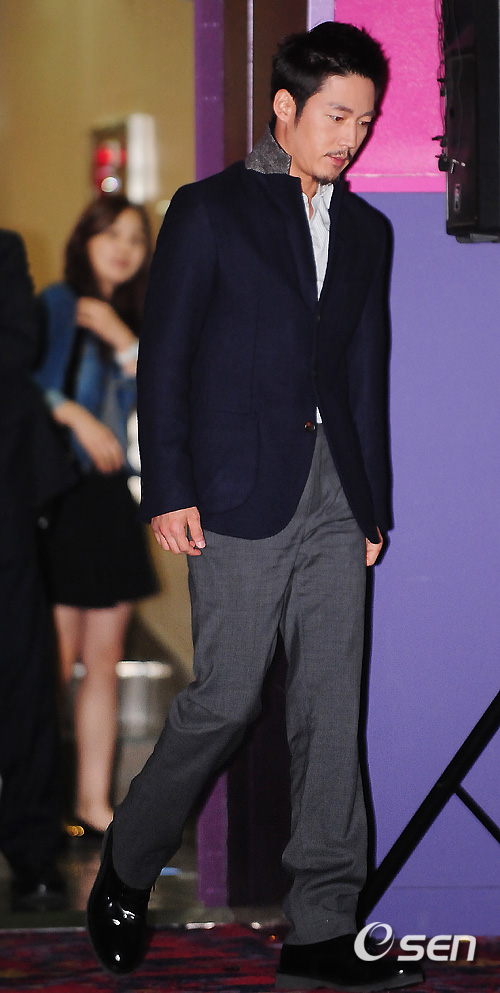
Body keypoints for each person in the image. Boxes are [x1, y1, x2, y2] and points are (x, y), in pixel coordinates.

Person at [87, 22, 423, 992]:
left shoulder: (368, 232)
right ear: (284, 106)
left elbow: (363, 376)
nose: (351, 137)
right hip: (236, 492)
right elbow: (166, 358)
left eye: (364, 121)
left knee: (331, 708)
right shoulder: (209, 210)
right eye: (336, 116)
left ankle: (321, 927)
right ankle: (127, 860)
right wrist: (169, 488)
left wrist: (372, 504)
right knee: (226, 698)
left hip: (336, 501)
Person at [36, 195, 157, 839]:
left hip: (110, 501)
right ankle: (30, 802)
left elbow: (158, 400)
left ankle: (92, 802)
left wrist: (125, 340)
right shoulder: (59, 304)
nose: (123, 248)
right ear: (85, 240)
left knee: (103, 661)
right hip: (59, 495)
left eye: (135, 239)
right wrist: (74, 414)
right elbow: (24, 382)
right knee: (50, 663)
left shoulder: (134, 319)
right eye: (111, 235)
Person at [0, 229, 75, 911]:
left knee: (23, 675)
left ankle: (32, 847)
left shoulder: (4, 250)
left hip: (5, 497)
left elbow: (17, 347)